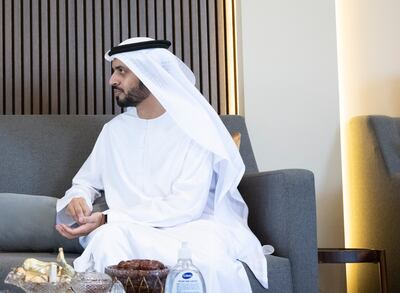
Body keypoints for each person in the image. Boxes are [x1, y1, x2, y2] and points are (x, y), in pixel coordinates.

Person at [54, 37, 268, 292]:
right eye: (114, 71)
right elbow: (86, 182)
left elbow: (186, 206)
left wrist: (108, 218)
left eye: (121, 71)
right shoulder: (114, 131)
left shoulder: (194, 129)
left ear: (149, 73)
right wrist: (80, 197)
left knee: (205, 260)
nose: (112, 81)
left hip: (190, 229)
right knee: (106, 241)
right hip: (126, 227)